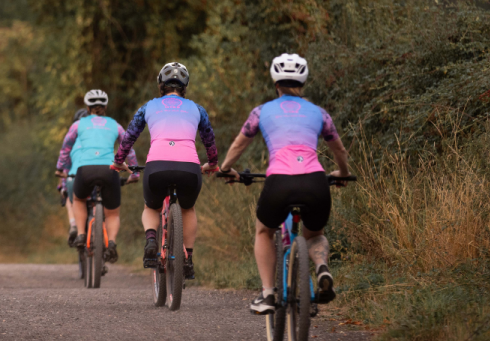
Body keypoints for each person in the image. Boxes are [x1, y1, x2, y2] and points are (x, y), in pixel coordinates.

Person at [218, 53, 351, 315]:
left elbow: (239, 145)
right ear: (303, 83)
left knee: (263, 231)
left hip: (279, 182)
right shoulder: (320, 113)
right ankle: (322, 268)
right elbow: (339, 150)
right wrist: (343, 173)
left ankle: (268, 295)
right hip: (315, 182)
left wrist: (225, 169)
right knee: (315, 234)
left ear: (275, 83)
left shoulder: (261, 111)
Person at [112, 63, 219, 280]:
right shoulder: (197, 109)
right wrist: (212, 163)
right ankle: (188, 259)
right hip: (189, 169)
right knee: (188, 209)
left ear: (161, 85)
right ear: (184, 86)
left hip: (156, 168)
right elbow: (209, 139)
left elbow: (129, 137)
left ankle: (151, 240)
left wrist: (119, 161)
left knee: (151, 207)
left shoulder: (148, 106)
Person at [55, 90, 138, 264]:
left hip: (85, 170)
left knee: (78, 200)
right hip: (110, 169)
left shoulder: (78, 124)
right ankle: (112, 243)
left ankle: (80, 234)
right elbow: (128, 149)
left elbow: (66, 147)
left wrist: (60, 168)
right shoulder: (115, 125)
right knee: (112, 213)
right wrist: (134, 173)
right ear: (105, 107)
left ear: (88, 107)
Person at [58, 108, 89, 246]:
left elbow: (65, 167)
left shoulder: (72, 141)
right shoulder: (98, 136)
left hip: (75, 177)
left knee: (71, 200)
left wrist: (62, 188)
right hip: (100, 173)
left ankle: (74, 225)